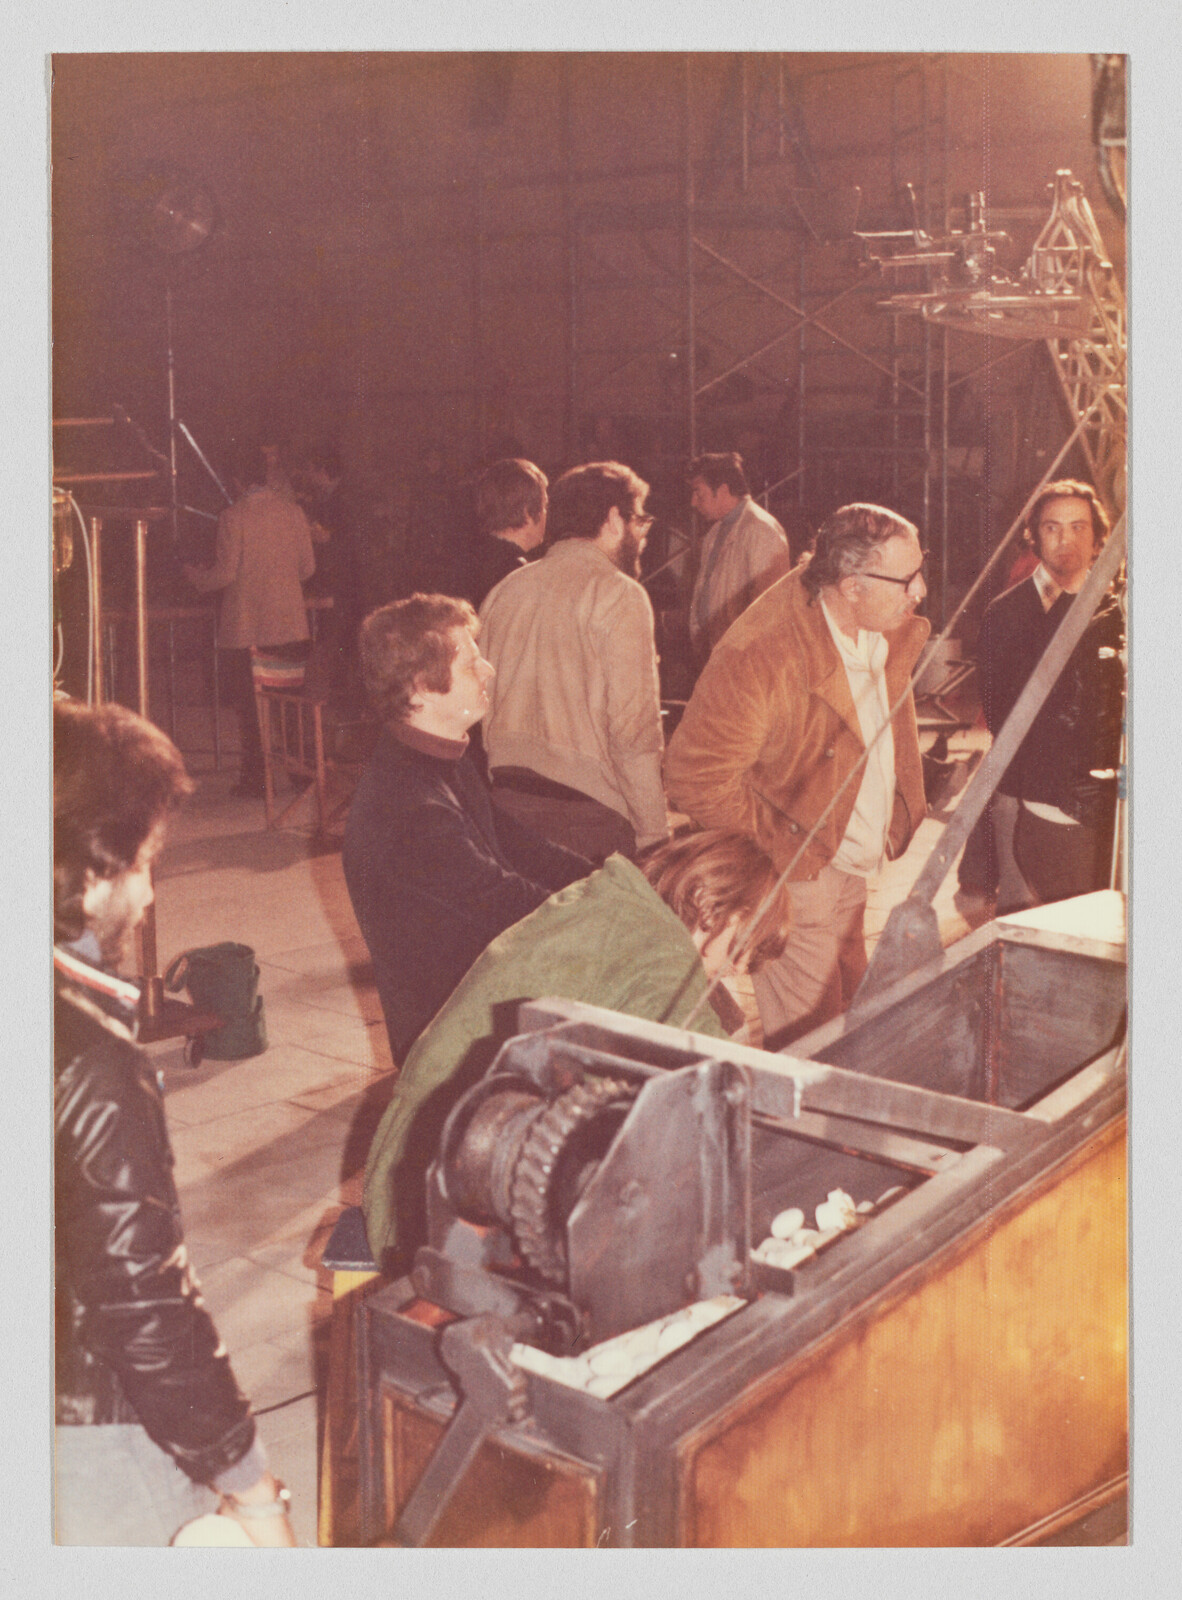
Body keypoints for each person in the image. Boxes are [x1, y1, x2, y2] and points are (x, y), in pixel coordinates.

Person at [53, 698, 297, 1546]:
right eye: (143, 862)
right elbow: (141, 1300)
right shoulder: (92, 1063)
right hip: (83, 1439)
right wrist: (249, 1482)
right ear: (88, 872)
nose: (150, 892)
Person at [361, 828, 793, 1268]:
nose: (736, 971)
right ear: (705, 899)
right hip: (436, 1205)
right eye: (741, 948)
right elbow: (715, 1091)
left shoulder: (617, 900)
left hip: (417, 1153)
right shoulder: (662, 955)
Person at [665, 502, 930, 1050]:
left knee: (863, 1018)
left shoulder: (876, 626)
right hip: (797, 874)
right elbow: (694, 777)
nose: (920, 590)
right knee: (814, 1047)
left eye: (920, 570)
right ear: (851, 585)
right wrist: (784, 846)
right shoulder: (762, 654)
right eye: (906, 579)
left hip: (849, 863)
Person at [342, 595, 591, 1064]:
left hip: (484, 996)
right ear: (421, 689)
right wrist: (613, 909)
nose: (489, 670)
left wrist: (617, 878)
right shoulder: (411, 808)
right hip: (454, 1042)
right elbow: (509, 903)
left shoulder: (436, 759)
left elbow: (523, 847)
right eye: (471, 663)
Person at [478, 460, 669, 864]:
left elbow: (483, 707)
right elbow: (633, 733)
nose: (643, 535)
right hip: (588, 822)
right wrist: (654, 835)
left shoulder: (505, 590)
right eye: (639, 521)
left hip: (508, 808)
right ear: (615, 519)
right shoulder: (619, 594)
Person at [975, 479, 1124, 911]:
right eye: (1053, 527)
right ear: (1034, 537)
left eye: (1079, 527)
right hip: (1046, 811)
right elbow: (1004, 736)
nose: (1066, 540)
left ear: (1099, 539)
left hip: (1105, 810)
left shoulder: (1116, 612)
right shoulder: (1004, 615)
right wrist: (1007, 864)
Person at [183, 439, 316, 797]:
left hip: (247, 628)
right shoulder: (294, 512)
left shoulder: (233, 517)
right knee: (290, 704)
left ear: (238, 481)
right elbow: (308, 567)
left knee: (251, 710)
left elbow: (225, 574)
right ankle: (302, 774)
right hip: (290, 623)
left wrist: (198, 578)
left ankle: (257, 779)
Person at [687, 451, 792, 661]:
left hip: (744, 661)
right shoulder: (714, 534)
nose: (693, 502)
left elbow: (770, 609)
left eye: (699, 494)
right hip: (716, 656)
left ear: (723, 490)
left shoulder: (762, 530)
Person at [466, 456, 548, 608]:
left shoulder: (469, 559)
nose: (546, 514)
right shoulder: (518, 574)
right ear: (528, 513)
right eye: (544, 506)